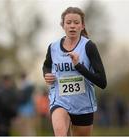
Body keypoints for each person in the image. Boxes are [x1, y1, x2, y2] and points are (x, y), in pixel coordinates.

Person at [42, 7, 107, 136]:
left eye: (76, 23)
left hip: (83, 104)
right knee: (60, 133)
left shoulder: (89, 47)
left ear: (82, 26)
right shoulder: (53, 47)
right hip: (60, 100)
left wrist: (78, 66)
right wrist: (46, 74)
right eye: (69, 22)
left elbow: (102, 82)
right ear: (62, 25)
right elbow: (46, 65)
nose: (72, 26)